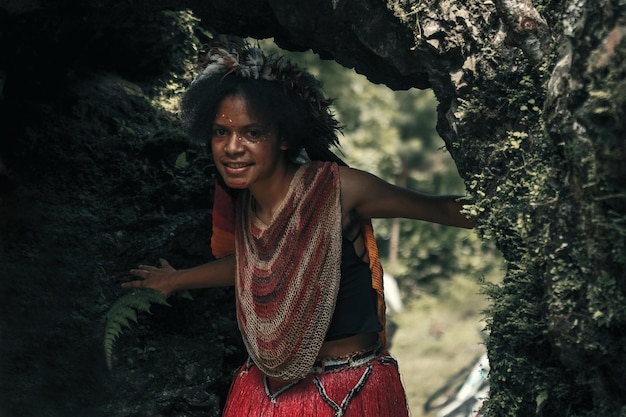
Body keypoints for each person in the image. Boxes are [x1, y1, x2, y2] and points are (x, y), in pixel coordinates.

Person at [123, 39, 474, 417]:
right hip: (265, 389)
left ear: (285, 137)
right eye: (221, 132)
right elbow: (252, 264)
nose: (232, 147)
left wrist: (522, 211)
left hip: (350, 389)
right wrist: (175, 280)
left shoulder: (339, 189)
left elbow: (443, 209)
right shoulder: (245, 206)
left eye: (252, 133)